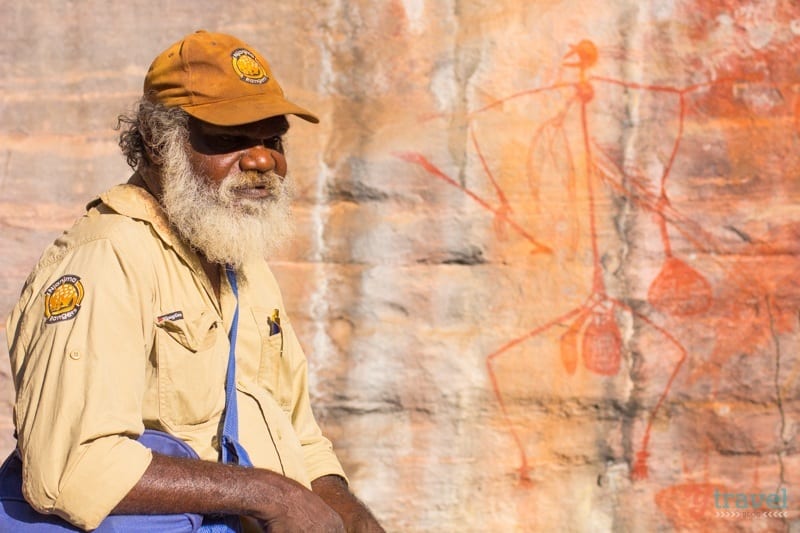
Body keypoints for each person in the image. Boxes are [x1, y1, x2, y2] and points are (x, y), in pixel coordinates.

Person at [5, 30, 384, 532]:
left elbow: (299, 437)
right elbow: (72, 468)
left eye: (273, 140)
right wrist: (269, 495)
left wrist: (354, 519)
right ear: (157, 144)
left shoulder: (241, 262)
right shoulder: (108, 257)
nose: (262, 160)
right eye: (228, 140)